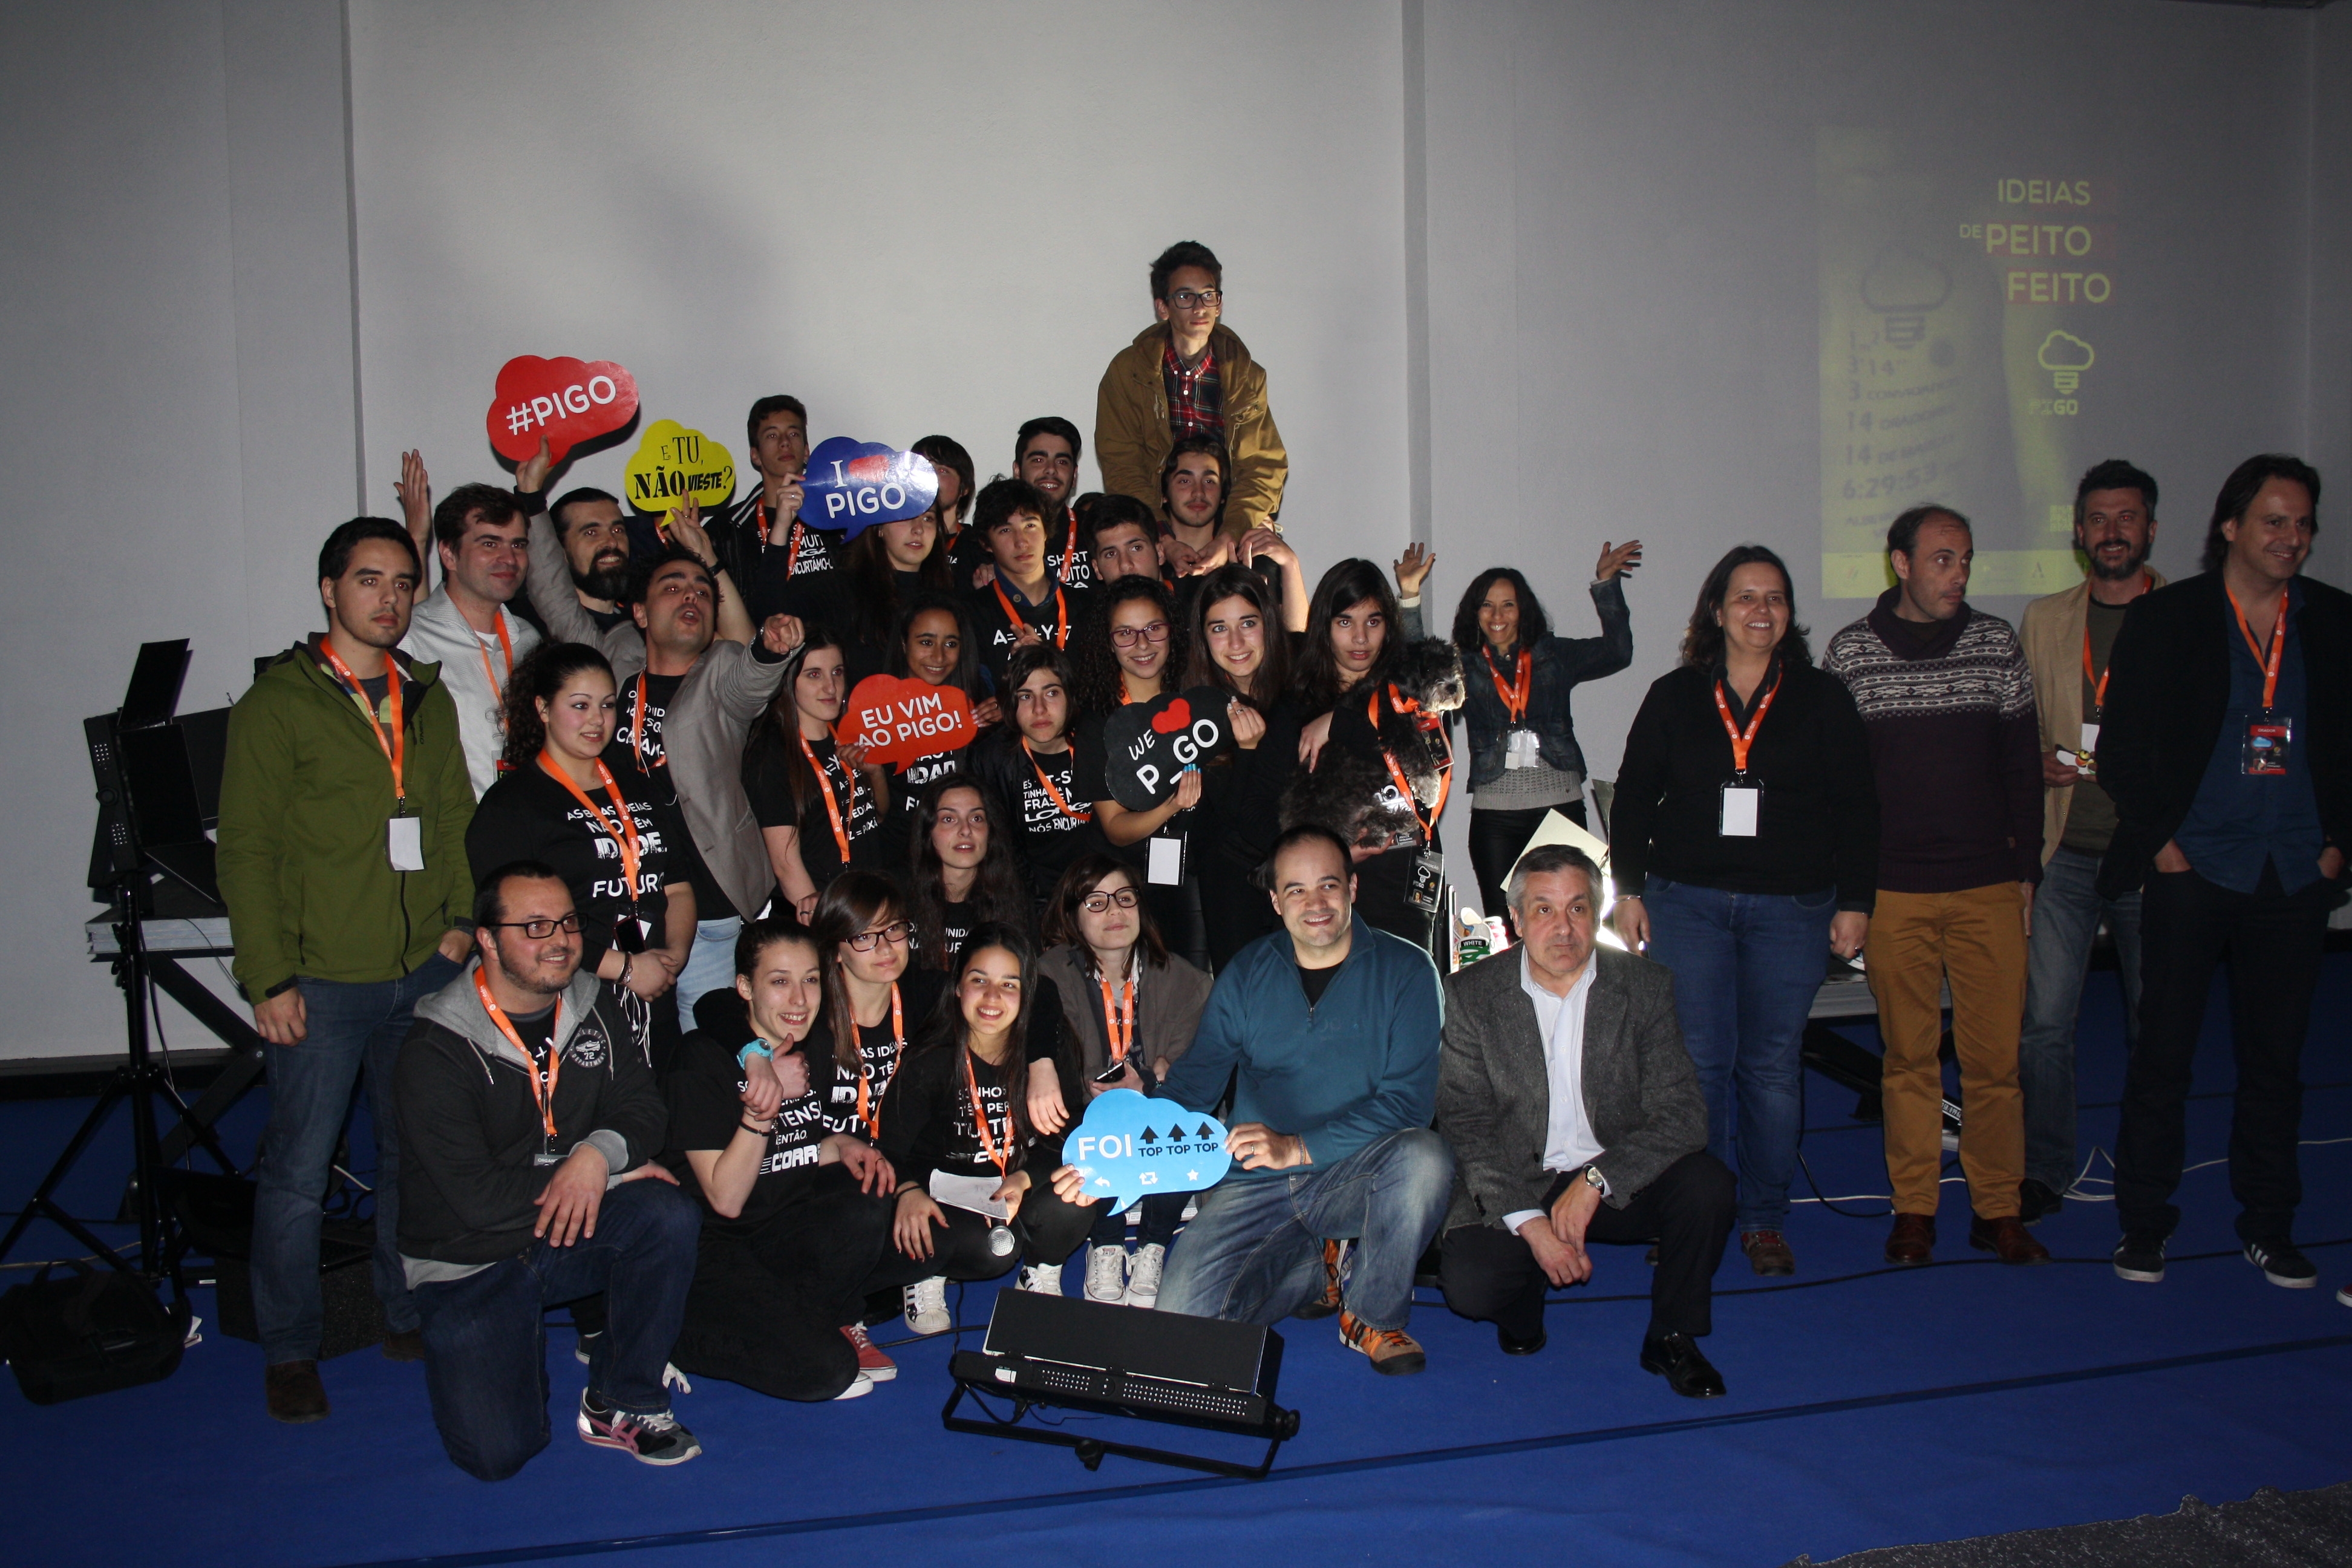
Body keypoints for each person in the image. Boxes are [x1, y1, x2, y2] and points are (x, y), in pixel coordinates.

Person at [217, 516, 475, 1424]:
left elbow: (453, 819)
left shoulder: (426, 698)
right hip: (321, 980)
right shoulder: (278, 704)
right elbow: (246, 849)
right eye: (370, 580)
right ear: (330, 591)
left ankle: (402, 1313)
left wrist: (460, 924)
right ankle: (290, 1348)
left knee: (411, 1155)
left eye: (403, 582)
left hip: (421, 972)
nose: (390, 598)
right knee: (298, 1169)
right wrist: (268, 977)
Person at [2101, 454, 2350, 1290]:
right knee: (2163, 1056)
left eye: (2303, 524)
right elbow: (2122, 749)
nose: (2290, 537)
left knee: (2277, 1064)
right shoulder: (2168, 619)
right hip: (2195, 867)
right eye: (2274, 521)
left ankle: (2270, 1225)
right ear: (2232, 527)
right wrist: (2162, 844)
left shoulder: (2335, 621)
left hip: (2295, 871)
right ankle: (2144, 1222)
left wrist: (2338, 846)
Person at [1609, 546, 1877, 1276]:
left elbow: (1858, 805)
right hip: (1686, 905)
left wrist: (1857, 902)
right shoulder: (1674, 695)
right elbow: (1634, 796)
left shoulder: (1822, 697)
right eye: (1747, 597)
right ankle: (1696, 1211)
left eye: (1776, 598)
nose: (1762, 611)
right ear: (1717, 611)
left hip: (1792, 907)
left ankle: (1762, 1217)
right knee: (1697, 1065)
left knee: (1771, 1068)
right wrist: (1628, 890)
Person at [394, 863, 700, 1477]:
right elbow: (478, 1200)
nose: (559, 940)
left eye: (566, 922)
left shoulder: (594, 1003)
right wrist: (611, 1176)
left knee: (667, 1214)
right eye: (534, 927)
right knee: (499, 1455)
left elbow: (644, 1110)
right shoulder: (436, 1049)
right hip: (470, 1258)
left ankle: (622, 1398)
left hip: (560, 1233)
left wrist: (596, 1155)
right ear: (487, 939)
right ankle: (489, 1338)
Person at [1822, 505, 2049, 1267]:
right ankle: (1914, 1208)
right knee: (1908, 1061)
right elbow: (1840, 783)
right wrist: (1851, 888)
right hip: (1895, 891)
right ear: (1902, 563)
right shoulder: (1852, 653)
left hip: (1988, 884)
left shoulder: (1995, 643)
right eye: (1943, 559)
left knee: (1995, 1063)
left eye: (1966, 559)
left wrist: (2026, 869)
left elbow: (2021, 764)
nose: (1959, 575)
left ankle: (1998, 1209)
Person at [520, 437, 805, 1033]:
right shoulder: (613, 664)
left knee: (715, 1046)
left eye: (701, 591)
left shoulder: (721, 670)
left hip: (714, 908)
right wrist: (531, 499)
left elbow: (753, 679)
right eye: (673, 587)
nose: (691, 597)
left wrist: (771, 649)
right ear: (641, 613)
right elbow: (553, 597)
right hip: (628, 903)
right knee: (639, 1052)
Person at [1153, 826, 1452, 1375]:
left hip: (1357, 1174)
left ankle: (1371, 1314)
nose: (1315, 904)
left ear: (1353, 888)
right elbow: (1194, 1087)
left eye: (1328, 885)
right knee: (1184, 1330)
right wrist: (1111, 1152)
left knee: (1425, 1159)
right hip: (1255, 1181)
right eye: (1296, 890)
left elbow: (1408, 1108)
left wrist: (1297, 1147)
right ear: (1275, 900)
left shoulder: (1408, 970)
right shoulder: (1247, 973)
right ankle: (1317, 1267)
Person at [1439, 846, 1734, 1396]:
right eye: (1544, 910)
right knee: (1473, 1287)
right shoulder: (1469, 996)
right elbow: (1467, 1125)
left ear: (1596, 914)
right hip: (1519, 1178)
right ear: (1517, 920)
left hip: (1614, 1175)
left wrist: (1598, 1179)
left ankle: (1671, 1335)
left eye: (1578, 908)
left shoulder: (1644, 987)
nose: (1563, 927)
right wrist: (1533, 1227)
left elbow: (1683, 1114)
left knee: (1708, 1187)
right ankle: (1524, 1301)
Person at [662, 920, 905, 1403]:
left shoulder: (811, 1046)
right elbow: (726, 1199)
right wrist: (762, 1108)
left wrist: (842, 1145)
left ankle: (809, 1316)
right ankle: (669, 1334)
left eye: (810, 980)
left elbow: (794, 1152)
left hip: (775, 1235)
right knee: (827, 1371)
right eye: (779, 981)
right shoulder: (701, 1058)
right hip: (711, 1253)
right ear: (745, 988)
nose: (799, 999)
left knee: (869, 1196)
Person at [2016, 460, 2164, 1222]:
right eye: (2099, 519)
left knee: (2155, 1025)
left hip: (2155, 856)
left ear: (2151, 529)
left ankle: (2147, 1173)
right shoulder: (2045, 619)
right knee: (2044, 1026)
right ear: (2079, 533)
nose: (2113, 532)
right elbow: (2017, 726)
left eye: (2126, 518)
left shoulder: (2189, 615)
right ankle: (2045, 1171)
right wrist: (2033, 758)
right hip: (2063, 849)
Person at [465, 644, 694, 1050]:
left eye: (607, 705)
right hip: (572, 1000)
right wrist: (624, 968)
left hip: (654, 989)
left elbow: (675, 885)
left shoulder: (637, 784)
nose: (597, 720)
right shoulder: (512, 806)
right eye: (580, 705)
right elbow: (517, 925)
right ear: (543, 708)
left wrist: (671, 957)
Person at [880, 924, 1108, 1325]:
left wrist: (1024, 1178)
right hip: (948, 1195)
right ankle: (928, 1272)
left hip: (1016, 1183)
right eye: (979, 980)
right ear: (957, 987)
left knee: (1079, 1189)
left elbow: (1068, 1136)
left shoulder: (1046, 1058)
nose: (992, 997)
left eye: (1009, 985)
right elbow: (890, 1146)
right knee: (990, 1252)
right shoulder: (931, 1059)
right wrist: (908, 1190)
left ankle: (1041, 1269)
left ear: (1027, 994)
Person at [1028, 855, 1213, 1307]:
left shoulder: (1187, 980)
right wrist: (1141, 1077)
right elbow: (1062, 1064)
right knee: (1087, 1120)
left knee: (1184, 1118)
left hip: (1156, 1110)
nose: (1115, 911)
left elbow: (1195, 1069)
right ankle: (1106, 1244)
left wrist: (1147, 1083)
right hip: (1085, 1112)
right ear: (1072, 915)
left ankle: (1153, 1245)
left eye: (1125, 898)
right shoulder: (1049, 973)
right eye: (1096, 902)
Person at [1449, 549, 1638, 930]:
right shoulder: (1463, 665)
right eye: (1487, 605)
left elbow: (1617, 652)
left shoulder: (1554, 655)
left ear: (1524, 610)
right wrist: (1410, 597)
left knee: (1568, 922)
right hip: (1495, 817)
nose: (1498, 615)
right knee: (1504, 924)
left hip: (1559, 807)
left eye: (1508, 605)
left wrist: (1607, 584)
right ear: (1475, 612)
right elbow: (1415, 674)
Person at [1096, 241, 1287, 537]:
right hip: (1153, 518)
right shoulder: (1128, 372)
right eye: (1185, 297)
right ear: (1163, 308)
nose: (1200, 308)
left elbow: (1262, 466)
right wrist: (1159, 533)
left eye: (1208, 296)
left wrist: (1232, 532)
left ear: (1219, 305)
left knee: (1267, 558)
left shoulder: (1246, 375)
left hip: (1226, 518)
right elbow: (1122, 465)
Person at [1071, 575, 1210, 967]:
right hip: (1121, 882)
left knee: (1189, 983)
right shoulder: (1099, 722)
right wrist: (1171, 806)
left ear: (1172, 631)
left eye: (1153, 628)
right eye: (1126, 634)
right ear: (1108, 643)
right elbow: (1115, 828)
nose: (1143, 644)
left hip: (1191, 871)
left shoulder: (1198, 696)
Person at [395, 465, 544, 797]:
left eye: (518, 545)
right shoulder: (410, 641)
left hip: (527, 817)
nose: (509, 558)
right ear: (449, 555)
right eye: (490, 544)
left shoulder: (529, 639)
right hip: (452, 824)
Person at [1185, 565, 1302, 967]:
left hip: (1301, 875)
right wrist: (1247, 750)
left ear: (1268, 623)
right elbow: (1229, 819)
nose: (1236, 642)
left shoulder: (1300, 690)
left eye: (1248, 623)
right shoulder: (1195, 711)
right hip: (1231, 885)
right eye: (1219, 628)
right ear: (1203, 638)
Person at [742, 629, 887, 918]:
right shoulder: (772, 754)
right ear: (789, 680)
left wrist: (876, 774)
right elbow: (785, 865)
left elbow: (878, 816)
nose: (831, 687)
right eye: (814, 675)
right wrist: (825, 925)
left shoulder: (850, 733)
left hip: (866, 899)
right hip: (823, 910)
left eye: (837, 672)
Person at [874, 592, 999, 867]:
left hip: (966, 852)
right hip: (900, 856)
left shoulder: (978, 703)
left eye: (951, 644)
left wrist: (1007, 723)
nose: (939, 656)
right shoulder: (875, 713)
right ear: (904, 643)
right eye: (926, 642)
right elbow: (877, 812)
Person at [967, 645, 1096, 908]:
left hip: (1101, 888)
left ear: (1070, 696)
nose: (1039, 709)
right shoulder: (992, 760)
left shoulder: (1096, 743)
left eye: (1052, 693)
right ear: (1010, 704)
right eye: (1026, 696)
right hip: (1034, 898)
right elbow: (1003, 850)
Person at [717, 395, 837, 623]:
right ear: (755, 455)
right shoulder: (728, 530)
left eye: (794, 434)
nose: (785, 442)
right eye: (772, 435)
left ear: (806, 451)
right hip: (765, 642)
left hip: (833, 644)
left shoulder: (837, 512)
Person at [796, 504, 949, 682]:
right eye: (906, 517)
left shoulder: (946, 600)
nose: (918, 529)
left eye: (928, 518)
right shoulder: (837, 591)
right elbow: (778, 630)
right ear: (879, 527)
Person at [964, 478, 1081, 691]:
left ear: (1047, 532)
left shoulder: (1085, 607)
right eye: (1005, 530)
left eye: (1030, 526)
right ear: (986, 543)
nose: (1022, 542)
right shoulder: (970, 615)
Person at [904, 779, 1034, 970]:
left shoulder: (1013, 901)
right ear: (927, 831)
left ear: (990, 831)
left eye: (976, 819)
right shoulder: (898, 898)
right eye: (949, 819)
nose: (966, 830)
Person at [1014, 416, 1093, 587]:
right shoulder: (992, 537)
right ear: (1017, 471)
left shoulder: (1095, 529)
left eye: (1062, 462)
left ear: (1074, 476)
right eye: (1038, 460)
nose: (1051, 470)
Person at [547, 487, 638, 635]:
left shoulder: (644, 625)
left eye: (617, 530)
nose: (612, 542)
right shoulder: (542, 628)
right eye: (591, 533)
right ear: (560, 548)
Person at [911, 434, 986, 587]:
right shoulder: (895, 539)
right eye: (924, 468)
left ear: (964, 488)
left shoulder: (980, 546)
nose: (931, 477)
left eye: (942, 470)